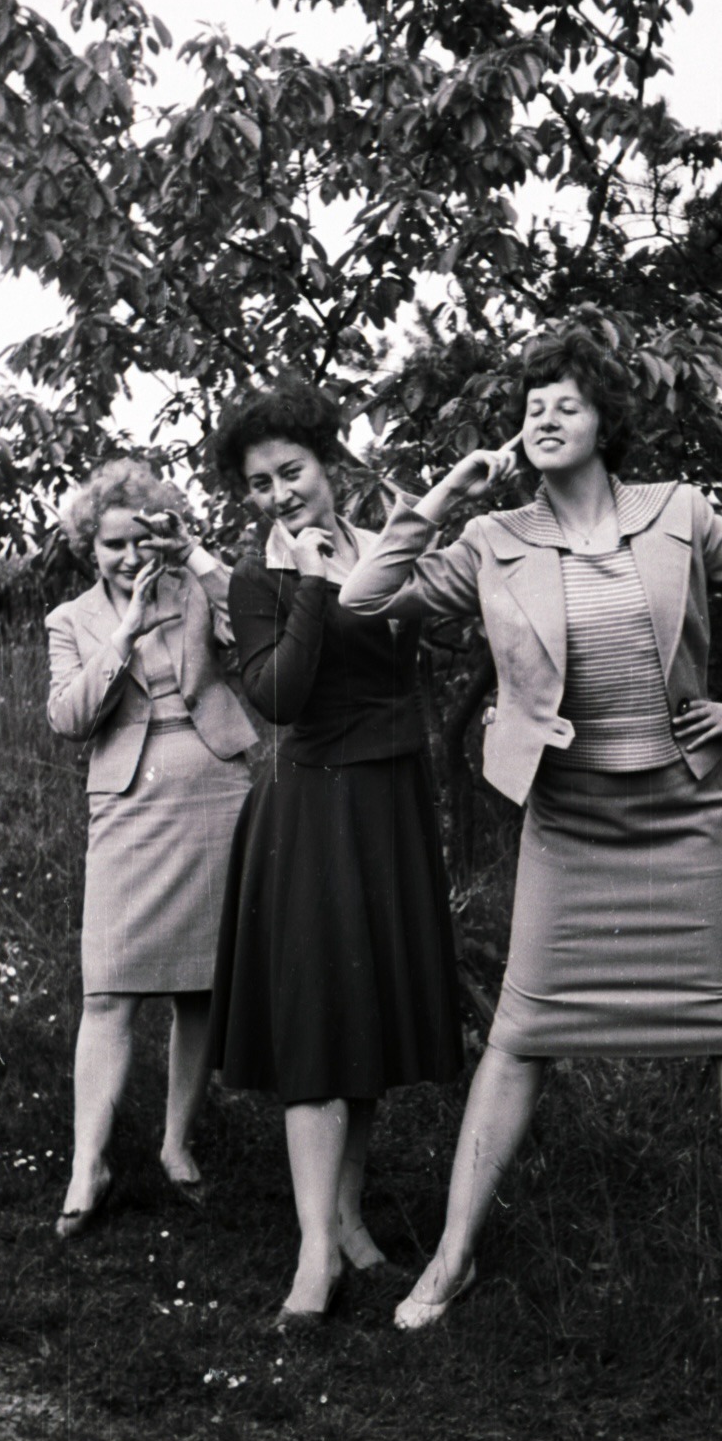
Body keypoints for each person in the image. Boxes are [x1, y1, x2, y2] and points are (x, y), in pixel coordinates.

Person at [339, 323, 722, 1331]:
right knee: (523, 1036)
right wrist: (441, 498)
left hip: (686, 814)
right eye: (532, 405)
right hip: (567, 822)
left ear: (609, 424)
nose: (544, 416)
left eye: (566, 403)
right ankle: (450, 1259)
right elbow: (365, 604)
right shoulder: (491, 543)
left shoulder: (678, 513)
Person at [206, 375, 463, 1331]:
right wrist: (310, 583)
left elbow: (434, 632)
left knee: (370, 1020)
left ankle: (351, 1214)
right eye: (260, 483)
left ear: (328, 463)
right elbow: (277, 696)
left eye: (292, 471)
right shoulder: (258, 576)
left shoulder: (385, 542)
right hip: (311, 806)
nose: (279, 493)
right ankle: (315, 1249)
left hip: (391, 799)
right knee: (319, 1024)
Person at [47, 459, 257, 1238]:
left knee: (200, 985)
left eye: (142, 540)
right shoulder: (70, 620)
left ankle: (175, 1144)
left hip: (214, 788)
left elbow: (258, 619)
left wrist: (196, 552)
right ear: (87, 546)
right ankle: (87, 1163)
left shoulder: (198, 587)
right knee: (106, 989)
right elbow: (68, 718)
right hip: (128, 803)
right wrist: (126, 628)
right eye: (111, 545)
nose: (129, 556)